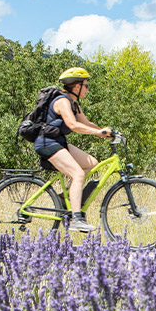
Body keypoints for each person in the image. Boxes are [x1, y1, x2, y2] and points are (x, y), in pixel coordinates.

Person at [34, 67, 112, 233]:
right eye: (86, 85)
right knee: (78, 174)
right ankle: (76, 218)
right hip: (47, 143)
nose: (87, 89)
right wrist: (97, 132)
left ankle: (64, 198)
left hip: (58, 142)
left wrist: (105, 132)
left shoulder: (74, 104)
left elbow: (85, 123)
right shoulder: (62, 101)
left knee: (92, 163)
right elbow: (73, 125)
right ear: (77, 86)